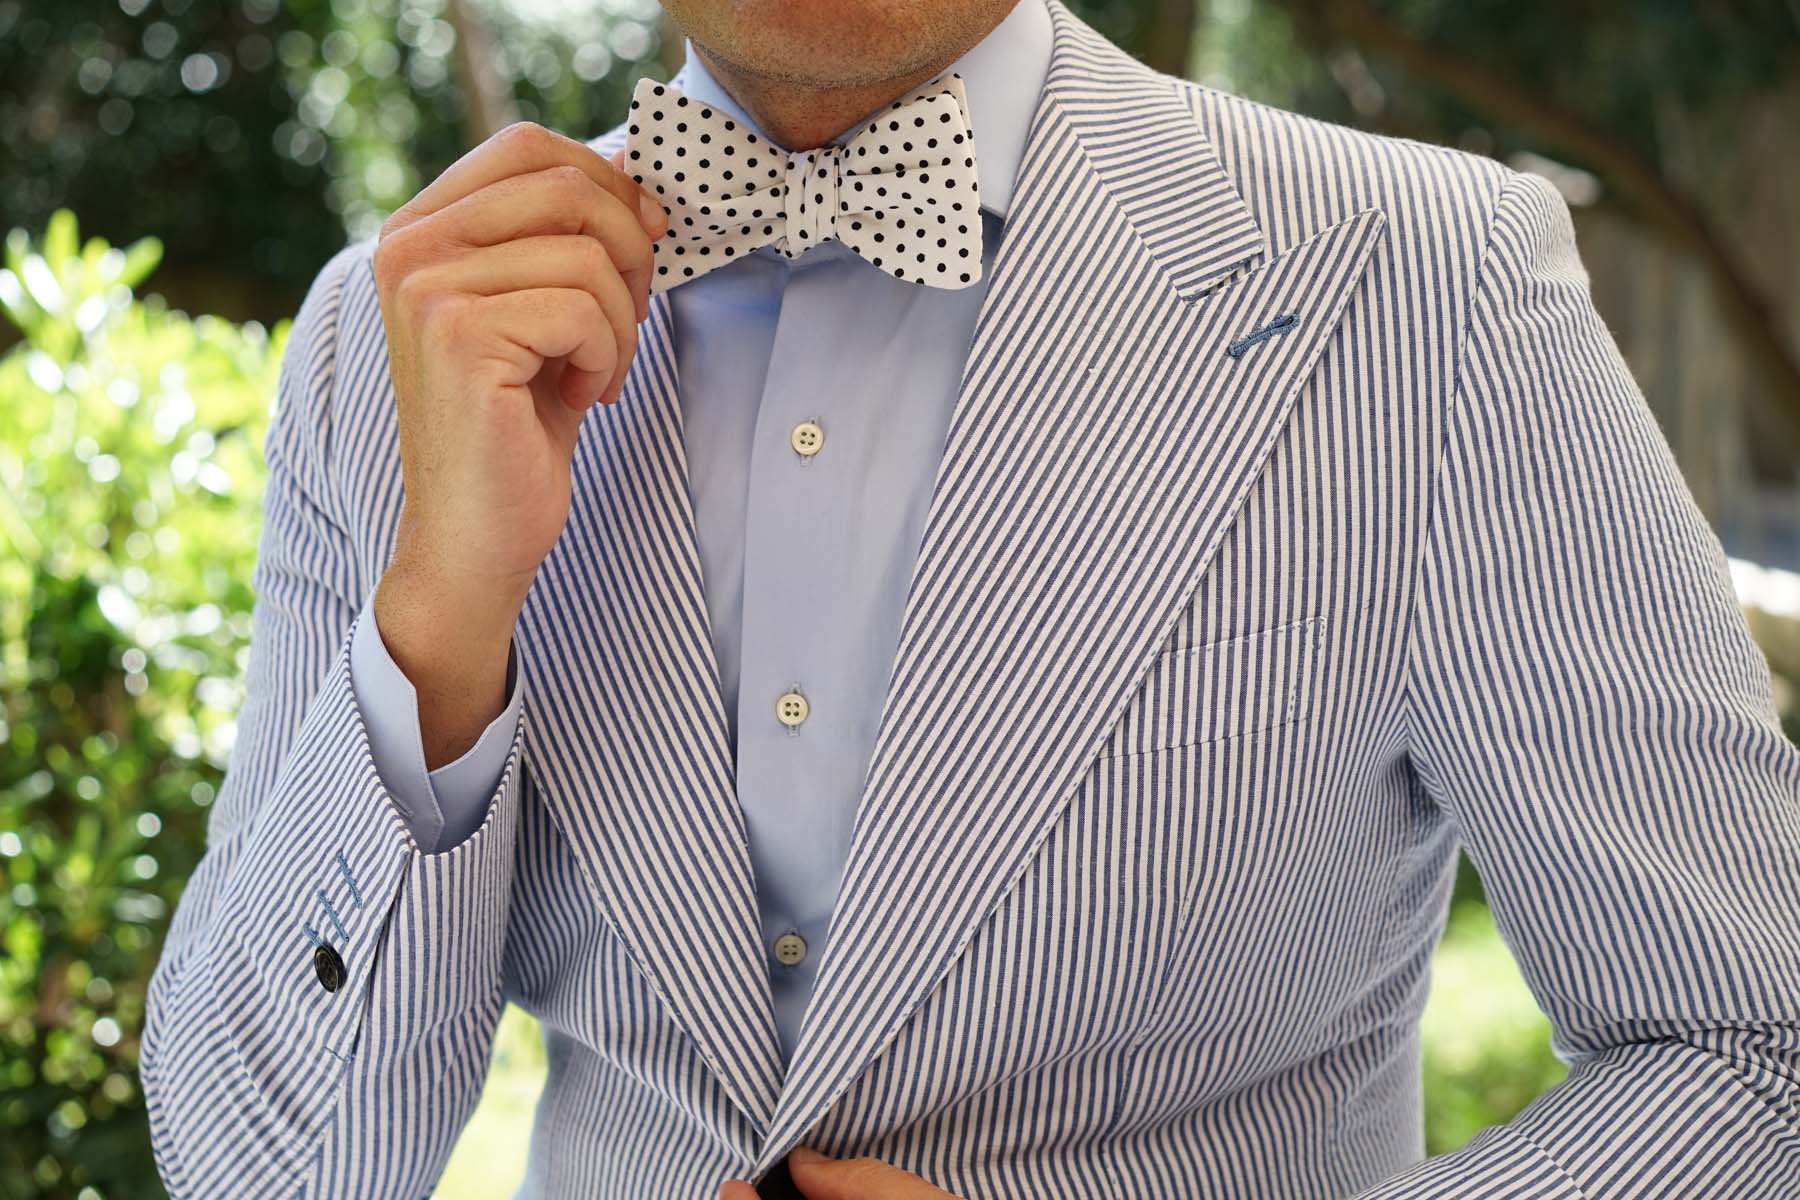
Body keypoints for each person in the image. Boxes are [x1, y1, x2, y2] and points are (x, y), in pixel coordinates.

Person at [142, 0, 1800, 1195]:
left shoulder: (1427, 289)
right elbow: (260, 1164)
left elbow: (1752, 1059)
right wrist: (442, 616)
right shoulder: (394, 335)